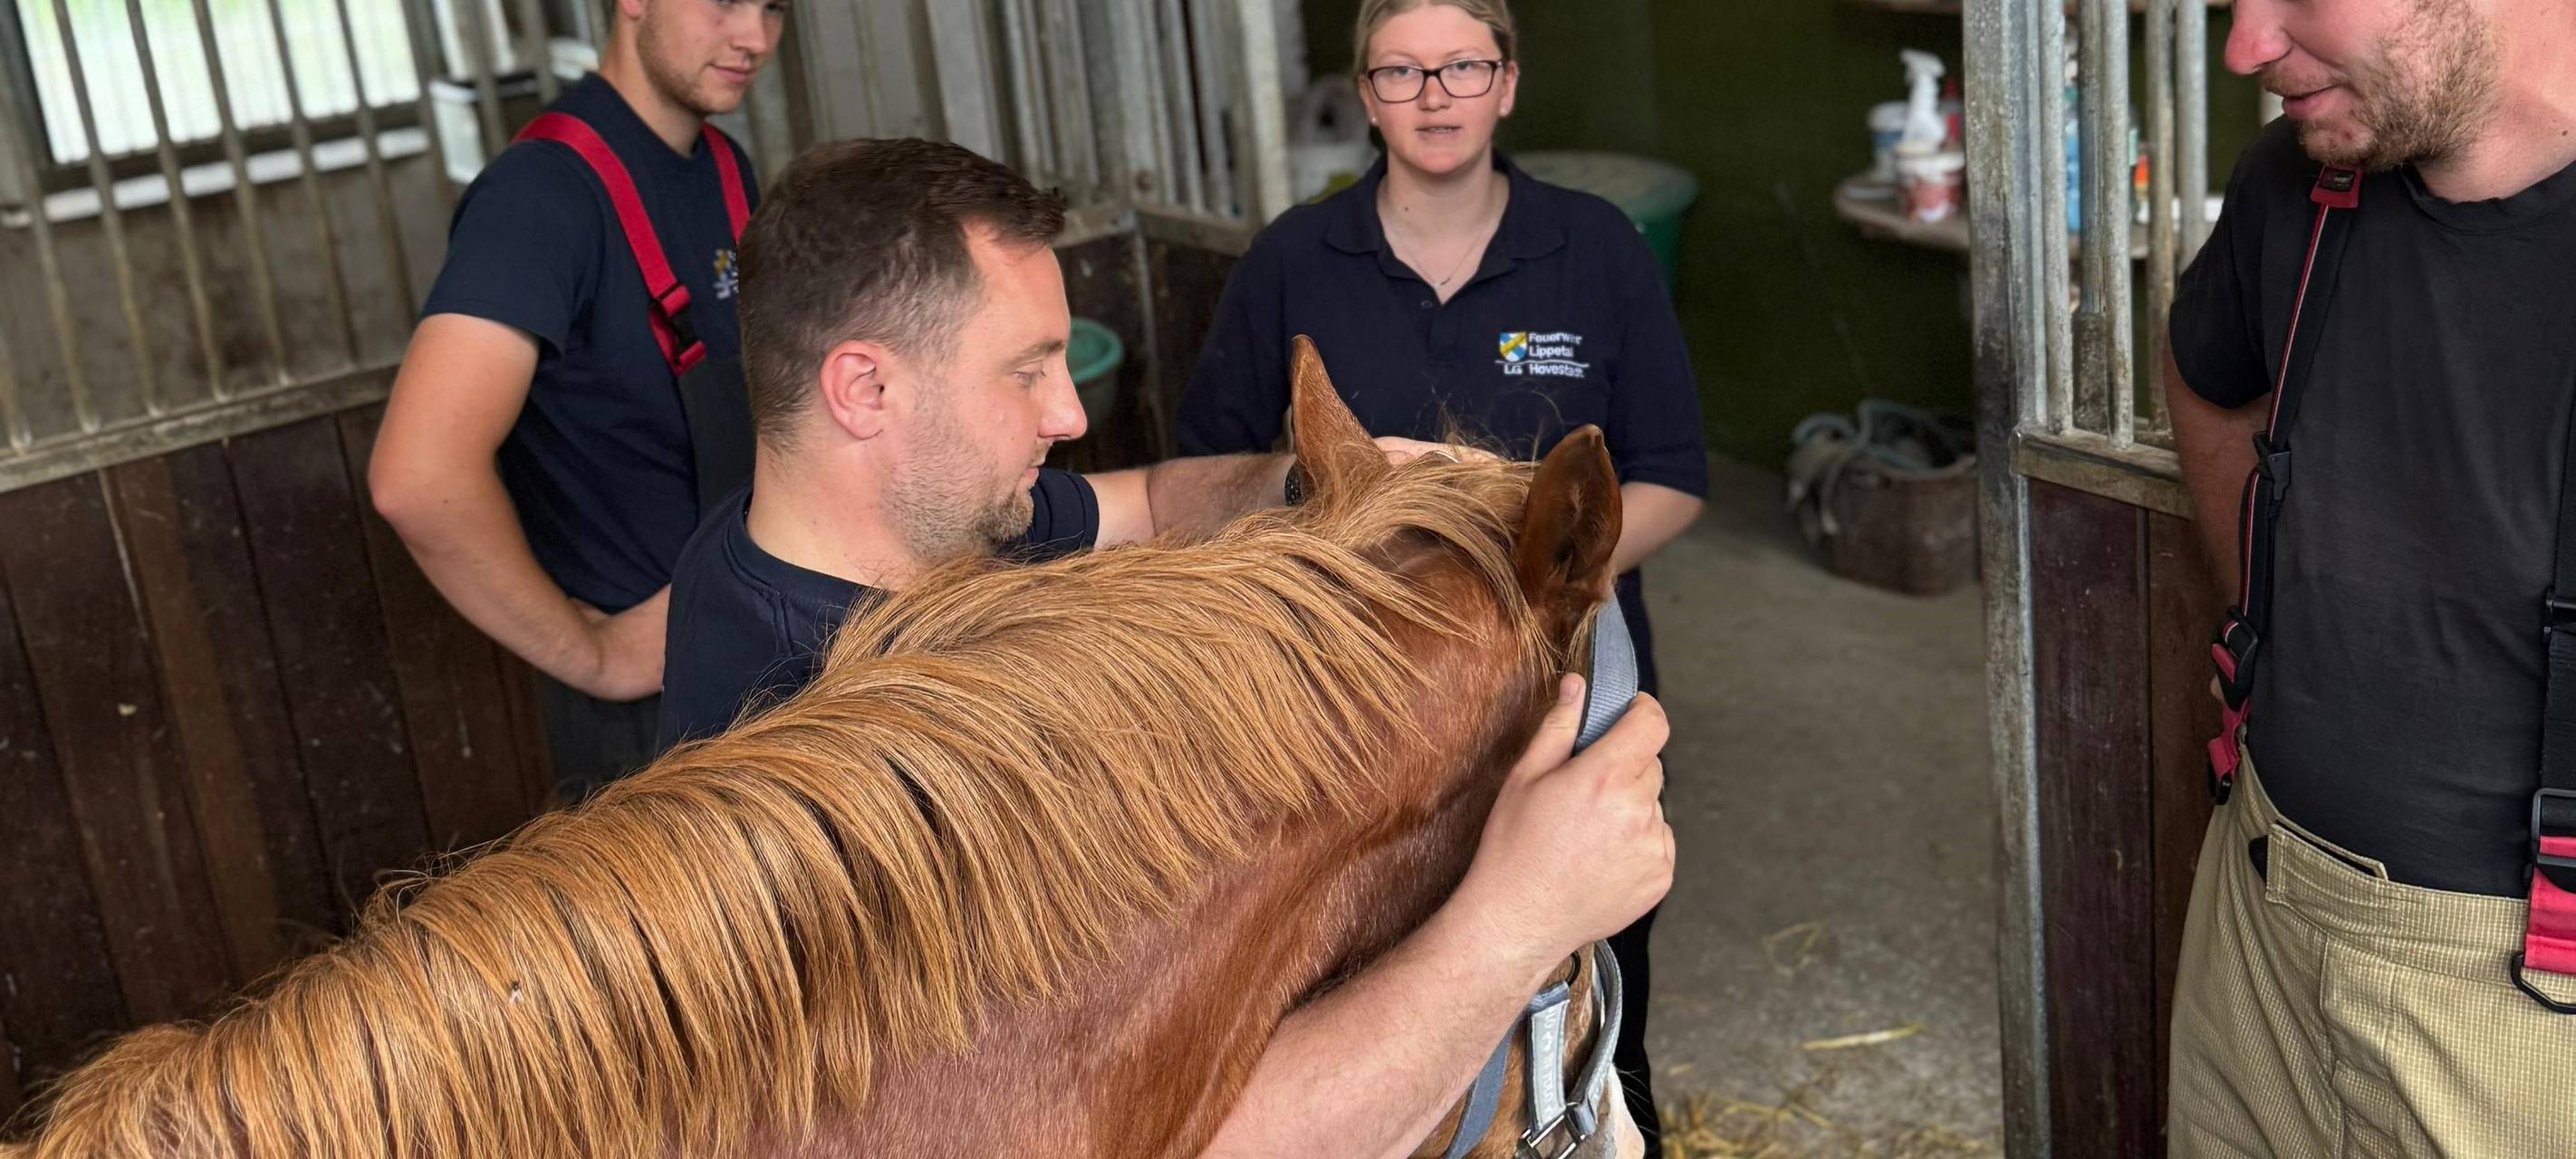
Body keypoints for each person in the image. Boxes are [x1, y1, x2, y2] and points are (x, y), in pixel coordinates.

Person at [660, 137, 1671, 1158]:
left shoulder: (842, 531)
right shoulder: (847, 752)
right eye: (1026, 371)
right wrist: (1519, 921)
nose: (1067, 411)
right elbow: (1181, 1132)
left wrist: (1327, 481)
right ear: (865, 389)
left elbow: (1140, 498)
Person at [1174, 1, 1706, 1146]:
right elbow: (1206, 476)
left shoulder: (1597, 247)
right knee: (1377, 957)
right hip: (1356, 714)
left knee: (1595, 949)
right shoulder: (1292, 259)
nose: (1434, 95)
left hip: (1561, 683)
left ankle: (1618, 1120)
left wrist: (1540, 586)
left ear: (1507, 83)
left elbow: (1671, 475)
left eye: (1463, 66)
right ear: (1365, 95)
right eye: (1401, 71)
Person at [2164, 0, 2576, 1154]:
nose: (2246, 46)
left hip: (2531, 992)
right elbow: (2207, 370)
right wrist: (2261, 617)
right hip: (2257, 883)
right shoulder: (2298, 176)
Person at [368, 0, 783, 801]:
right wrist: (591, 655)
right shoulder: (540, 196)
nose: (755, 38)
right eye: (725, 2)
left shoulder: (726, 168)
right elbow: (417, 478)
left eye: (773, 7)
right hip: (654, 720)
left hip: (763, 651)